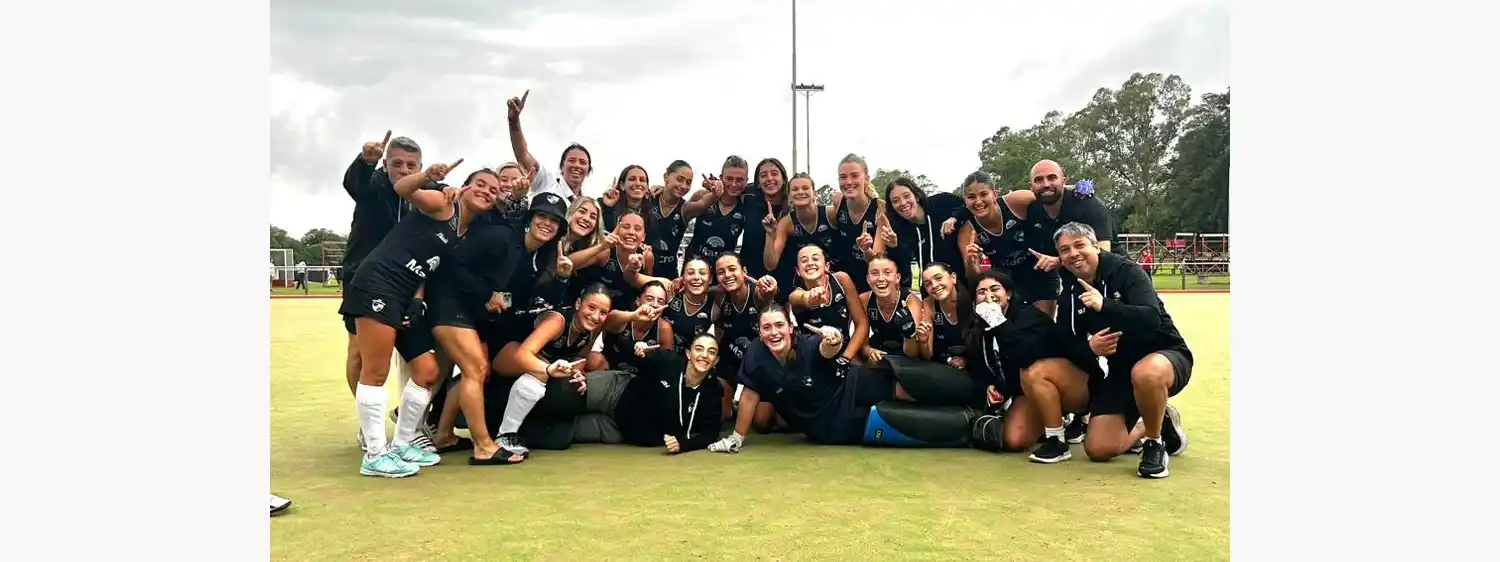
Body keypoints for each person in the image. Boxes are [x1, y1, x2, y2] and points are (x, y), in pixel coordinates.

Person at [338, 156, 485, 478]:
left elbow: (425, 267)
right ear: (465, 187)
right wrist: (426, 177)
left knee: (427, 369)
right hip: (377, 284)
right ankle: (375, 454)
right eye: (481, 184)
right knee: (374, 372)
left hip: (403, 296)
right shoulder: (444, 204)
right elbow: (402, 187)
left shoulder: (463, 231)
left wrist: (417, 300)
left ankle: (403, 444)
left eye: (494, 189)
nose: (486, 191)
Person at [427, 191, 567, 455]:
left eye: (554, 221)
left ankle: (444, 435)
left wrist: (561, 279)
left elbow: (527, 300)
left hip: (478, 319)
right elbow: (454, 264)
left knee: (476, 370)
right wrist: (485, 295)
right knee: (474, 369)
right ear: (529, 218)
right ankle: (484, 446)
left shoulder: (530, 259)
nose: (547, 223)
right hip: (451, 306)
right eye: (542, 216)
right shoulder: (500, 236)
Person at [1053, 222, 1189, 478]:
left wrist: (1104, 305)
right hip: (1121, 373)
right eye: (1064, 250)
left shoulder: (1126, 271)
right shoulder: (1070, 290)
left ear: (1095, 245)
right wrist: (1090, 348)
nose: (1073, 253)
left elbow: (1151, 318)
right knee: (1098, 448)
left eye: (1079, 245)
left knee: (1146, 373)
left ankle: (1154, 442)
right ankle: (1155, 421)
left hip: (1166, 357)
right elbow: (1066, 343)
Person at [709, 306, 885, 450]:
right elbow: (749, 394)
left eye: (779, 325)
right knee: (890, 420)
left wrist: (835, 339)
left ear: (790, 328)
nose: (774, 332)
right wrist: (737, 437)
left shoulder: (806, 344)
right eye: (767, 328)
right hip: (827, 423)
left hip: (847, 385)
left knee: (900, 386)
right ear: (760, 334)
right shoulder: (755, 354)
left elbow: (826, 349)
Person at [964, 270, 1098, 456]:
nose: (989, 296)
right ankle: (1049, 422)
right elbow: (985, 366)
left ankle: (1057, 440)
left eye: (995, 289)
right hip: (1033, 389)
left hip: (1077, 384)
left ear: (1008, 294)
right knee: (1014, 440)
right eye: (981, 292)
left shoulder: (1029, 316)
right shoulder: (980, 328)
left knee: (1033, 371)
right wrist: (993, 387)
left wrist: (999, 323)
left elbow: (1026, 357)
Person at [478, 284, 611, 464]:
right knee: (540, 368)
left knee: (549, 371)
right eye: (591, 307)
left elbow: (579, 359)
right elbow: (523, 354)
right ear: (578, 303)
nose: (596, 316)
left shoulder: (595, 329)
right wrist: (548, 369)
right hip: (504, 350)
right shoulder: (558, 321)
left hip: (537, 361)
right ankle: (505, 435)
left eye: (603, 312)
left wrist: (578, 374)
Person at [572, 333, 726, 453]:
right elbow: (635, 358)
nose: (704, 355)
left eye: (711, 352)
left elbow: (710, 433)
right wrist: (637, 349)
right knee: (567, 394)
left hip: (619, 430)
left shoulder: (713, 390)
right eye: (699, 349)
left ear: (717, 360)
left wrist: (683, 445)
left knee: (560, 435)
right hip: (616, 390)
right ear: (688, 353)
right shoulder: (669, 361)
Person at [955, 171, 1060, 317]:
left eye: (984, 194)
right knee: (1016, 333)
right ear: (965, 201)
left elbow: (1052, 195)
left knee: (1042, 327)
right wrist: (971, 262)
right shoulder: (967, 232)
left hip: (1040, 273)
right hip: (1008, 285)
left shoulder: (1016, 202)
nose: (978, 202)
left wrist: (1079, 189)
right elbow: (973, 278)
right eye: (972, 197)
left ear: (995, 194)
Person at [709, 253, 780, 421]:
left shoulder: (757, 293)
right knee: (722, 415)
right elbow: (700, 289)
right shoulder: (719, 295)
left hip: (760, 365)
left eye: (732, 269)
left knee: (762, 422)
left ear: (744, 271)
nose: (727, 275)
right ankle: (734, 405)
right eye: (721, 272)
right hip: (731, 362)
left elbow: (769, 295)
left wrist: (771, 288)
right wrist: (682, 283)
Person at [880, 177, 968, 290]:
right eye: (895, 201)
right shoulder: (898, 230)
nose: (903, 203)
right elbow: (904, 268)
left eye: (907, 196)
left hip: (957, 287)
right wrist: (895, 246)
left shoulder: (941, 203)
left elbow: (968, 205)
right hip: (927, 292)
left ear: (916, 196)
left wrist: (954, 217)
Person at [786, 245, 869, 365]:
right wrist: (811, 298)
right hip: (812, 356)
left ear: (827, 266)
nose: (810, 263)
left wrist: (846, 357)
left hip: (844, 352)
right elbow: (801, 298)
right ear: (798, 271)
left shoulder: (841, 279)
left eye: (815, 259)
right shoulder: (795, 294)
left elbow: (862, 323)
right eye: (804, 260)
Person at [506, 89, 592, 203]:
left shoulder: (585, 206)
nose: (577, 165)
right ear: (562, 167)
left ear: (588, 171)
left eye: (583, 162)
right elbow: (523, 155)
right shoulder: (547, 181)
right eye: (572, 160)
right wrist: (514, 121)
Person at [763, 173, 842, 278]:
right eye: (795, 189)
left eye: (805, 188)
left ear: (814, 193)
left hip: (837, 276)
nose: (800, 192)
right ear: (790, 196)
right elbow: (770, 265)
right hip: (807, 280)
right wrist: (769, 234)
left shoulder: (830, 214)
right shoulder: (786, 223)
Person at [828, 154, 886, 293]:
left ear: (866, 178)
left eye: (854, 176)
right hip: (843, 280)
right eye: (843, 177)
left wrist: (866, 249)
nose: (848, 182)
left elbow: (877, 262)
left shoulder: (880, 210)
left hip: (870, 283)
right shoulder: (837, 200)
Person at [592, 279, 674, 372]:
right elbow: (609, 320)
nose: (655, 305)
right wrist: (634, 316)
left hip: (643, 378)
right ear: (638, 301)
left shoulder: (664, 328)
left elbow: (669, 362)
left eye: (660, 301)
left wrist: (650, 354)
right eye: (649, 299)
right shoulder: (625, 318)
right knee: (594, 359)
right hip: (612, 372)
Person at [857, 254, 920, 363]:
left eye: (887, 273)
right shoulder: (864, 300)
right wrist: (869, 351)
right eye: (874, 273)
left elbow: (913, 353)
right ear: (868, 279)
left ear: (897, 278)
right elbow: (862, 343)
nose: (881, 278)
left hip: (905, 357)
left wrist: (909, 333)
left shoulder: (911, 301)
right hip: (879, 352)